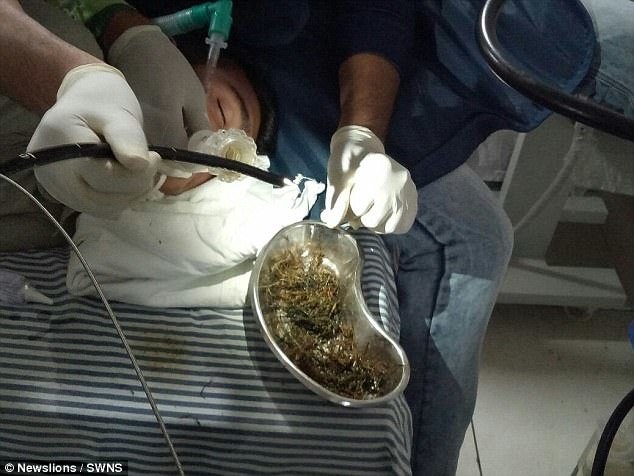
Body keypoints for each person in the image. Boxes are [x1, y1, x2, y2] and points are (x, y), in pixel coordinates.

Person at [0, 1, 598, 475]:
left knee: (474, 237)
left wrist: (363, 132)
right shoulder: (126, 171)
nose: (200, 133)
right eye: (178, 166)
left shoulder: (277, 115)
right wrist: (101, 57)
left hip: (314, 68)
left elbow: (378, 12)